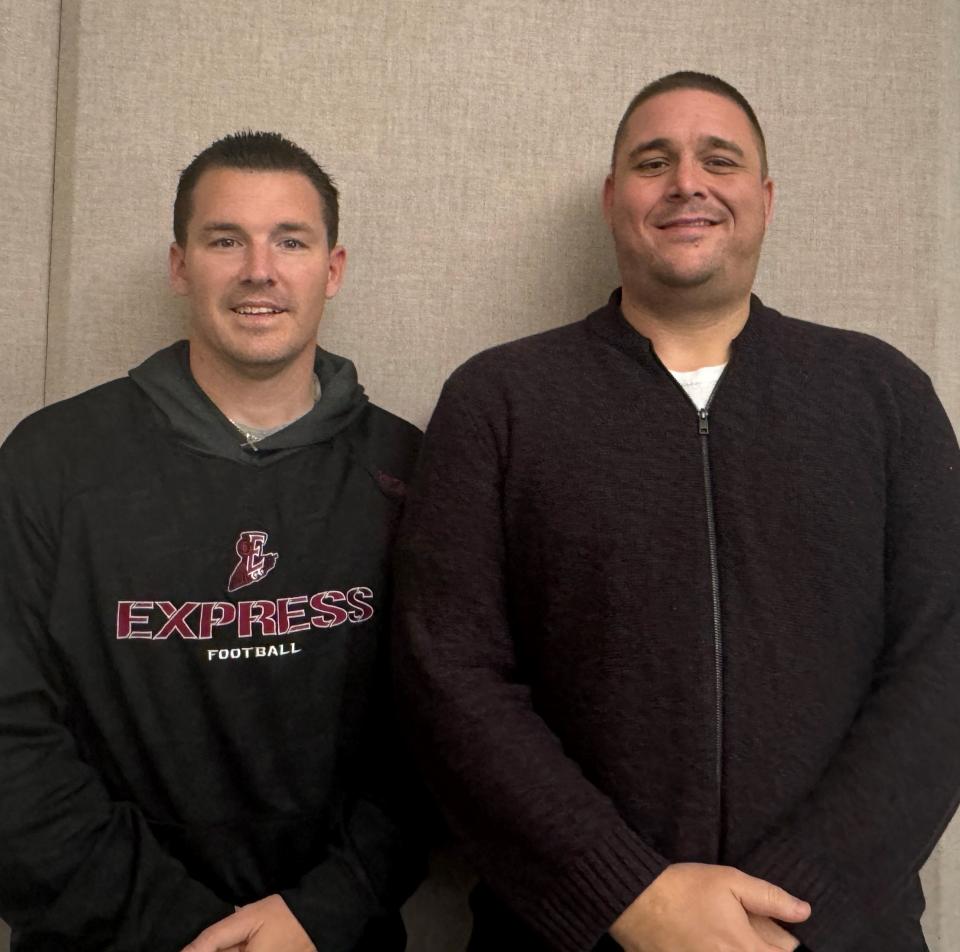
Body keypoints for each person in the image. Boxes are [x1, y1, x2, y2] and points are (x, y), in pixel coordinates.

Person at [394, 72, 960, 952]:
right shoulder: (499, 401)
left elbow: (943, 663)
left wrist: (794, 902)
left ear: (764, 200)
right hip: (571, 934)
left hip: (834, 935)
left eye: (719, 160)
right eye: (653, 161)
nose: (687, 182)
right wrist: (628, 894)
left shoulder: (882, 395)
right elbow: (449, 676)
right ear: (614, 199)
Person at [0, 131, 423, 952]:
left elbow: (442, 736)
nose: (258, 269)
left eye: (289, 241)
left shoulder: (409, 473)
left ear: (332, 270)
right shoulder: (50, 461)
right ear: (179, 265)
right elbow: (9, 742)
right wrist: (178, 931)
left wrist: (325, 912)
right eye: (225, 239)